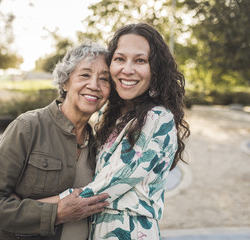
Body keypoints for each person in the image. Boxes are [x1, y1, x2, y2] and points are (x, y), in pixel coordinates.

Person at [45, 23, 190, 239]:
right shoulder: (111, 115)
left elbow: (104, 188)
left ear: (155, 68)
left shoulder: (158, 118)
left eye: (140, 60)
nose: (127, 69)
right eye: (120, 59)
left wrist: (35, 207)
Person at [0, 42, 111, 240]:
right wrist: (56, 213)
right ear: (65, 82)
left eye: (104, 79)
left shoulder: (100, 145)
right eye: (85, 75)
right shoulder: (28, 127)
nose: (94, 85)